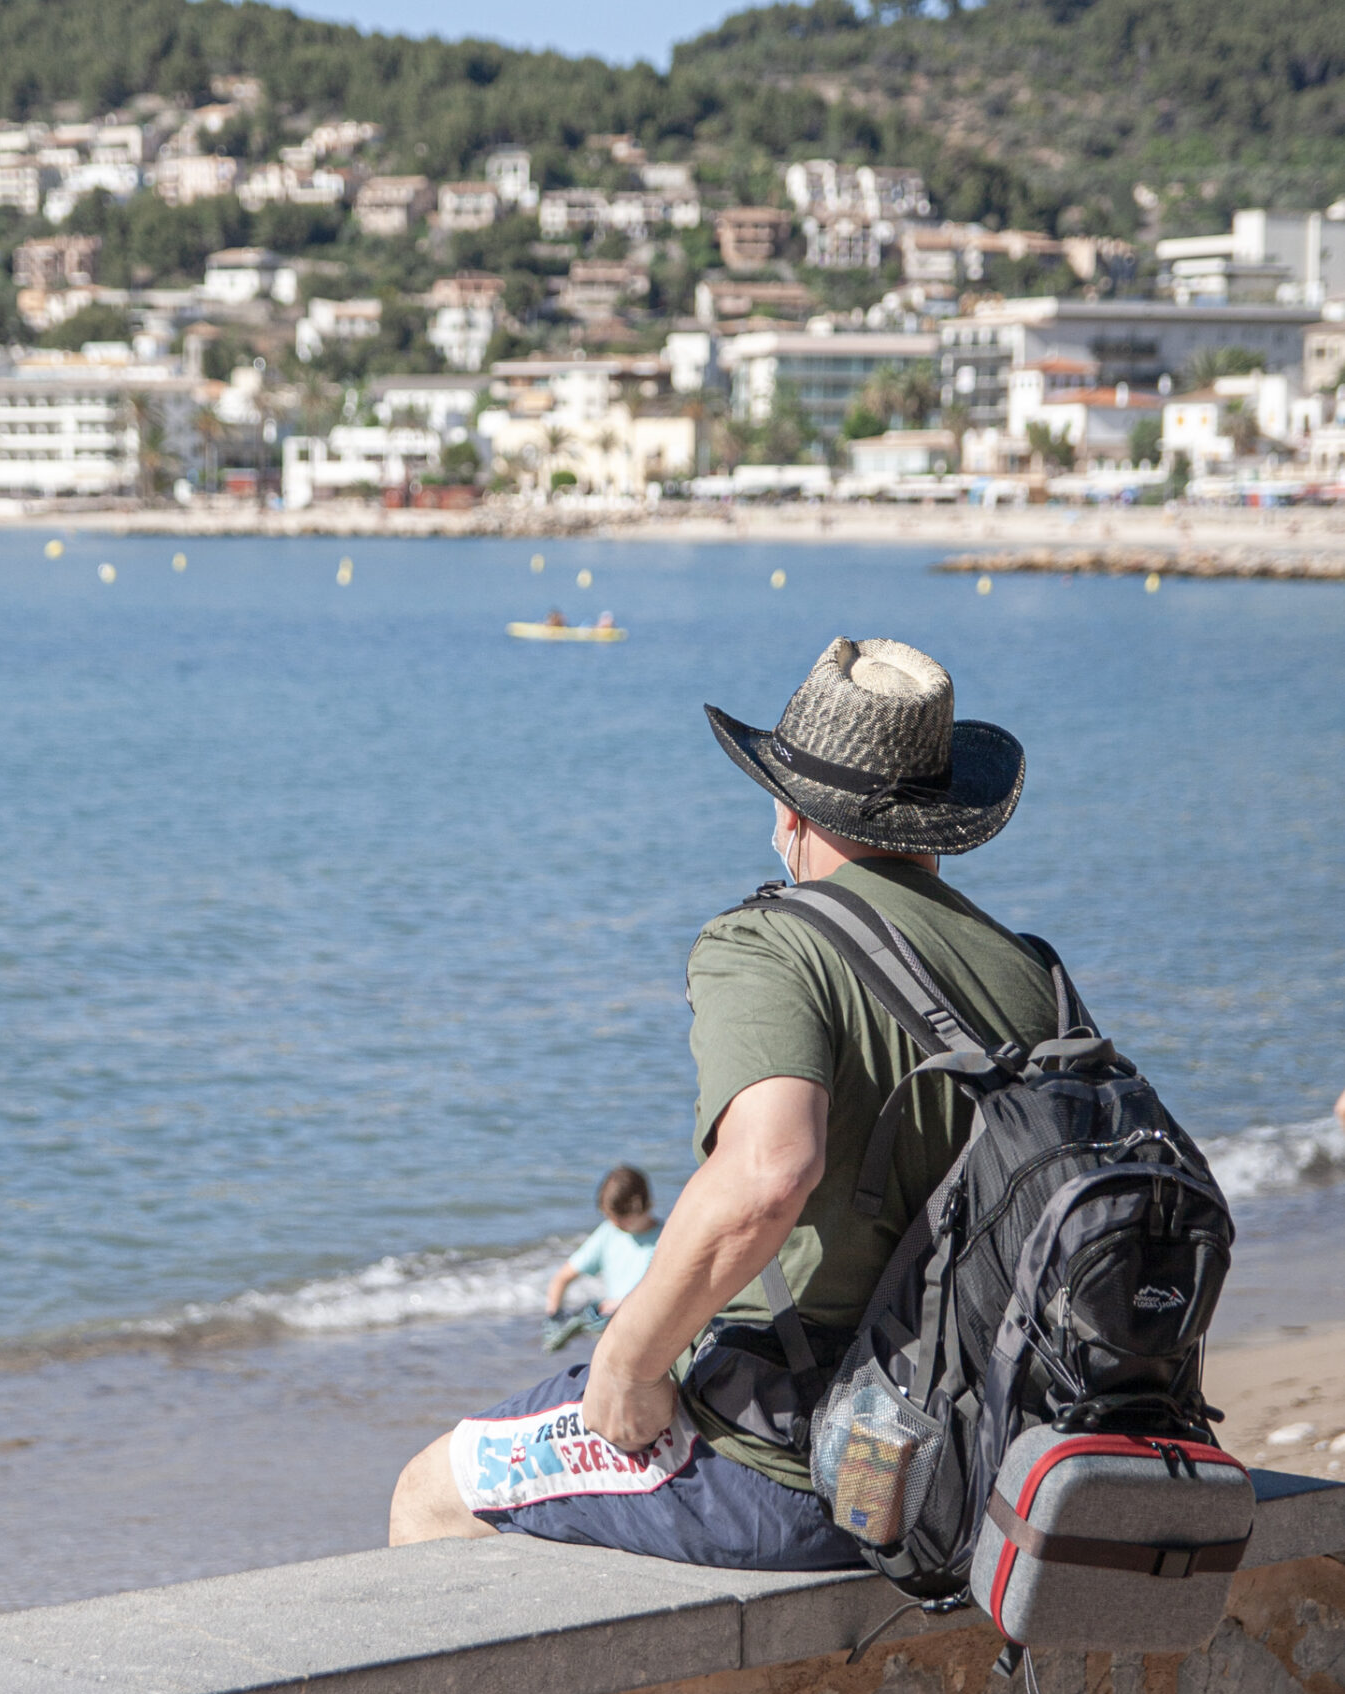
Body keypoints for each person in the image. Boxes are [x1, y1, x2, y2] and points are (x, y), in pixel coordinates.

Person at [390, 633, 1054, 1569]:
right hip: (981, 1451)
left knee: (431, 1489)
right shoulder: (1032, 972)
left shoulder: (772, 944)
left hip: (801, 1470)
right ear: (944, 822)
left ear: (789, 809)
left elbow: (769, 1173)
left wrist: (627, 1363)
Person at [542, 1165, 662, 1349]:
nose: (616, 1223)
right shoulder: (609, 1232)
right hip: (613, 1335)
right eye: (611, 1217)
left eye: (621, 1218)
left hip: (651, 1332)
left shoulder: (667, 1237)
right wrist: (554, 1318)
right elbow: (561, 1278)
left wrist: (621, 1305)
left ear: (639, 1205)